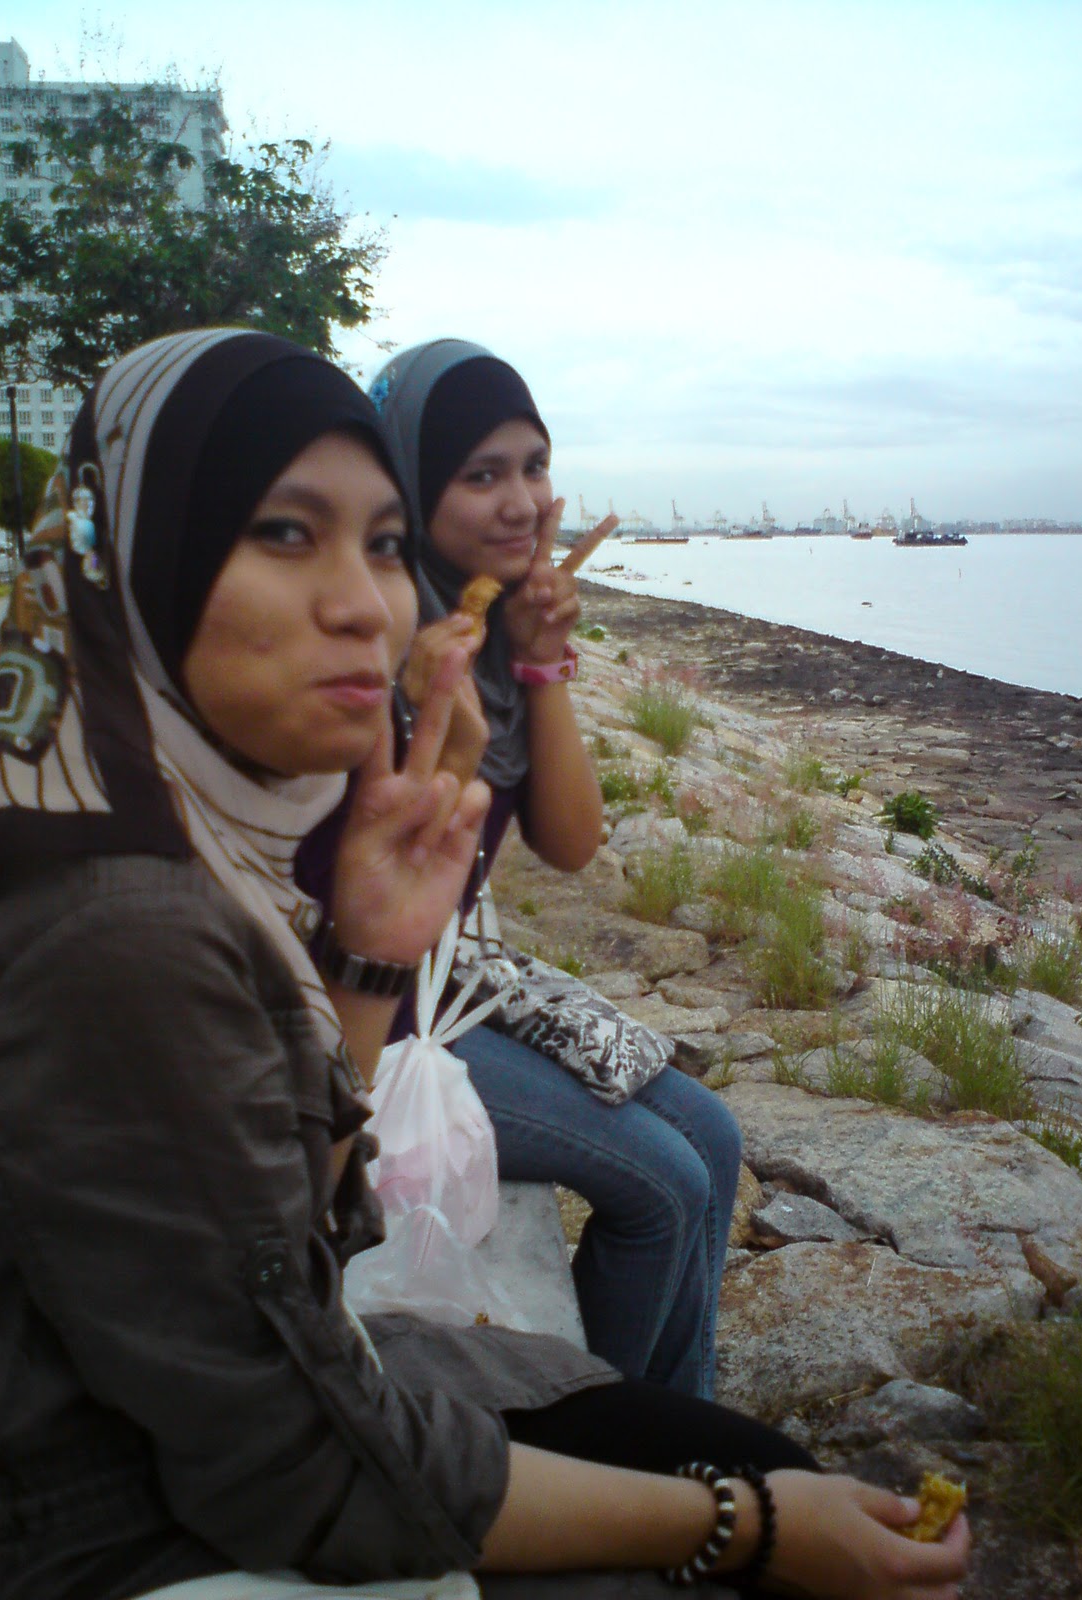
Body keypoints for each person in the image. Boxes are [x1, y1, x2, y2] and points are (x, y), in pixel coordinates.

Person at [0, 329, 969, 1600]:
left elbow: (279, 1224)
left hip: (213, 1354)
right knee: (693, 1281)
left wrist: (366, 948)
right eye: (284, 532)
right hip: (78, 1512)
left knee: (707, 1180)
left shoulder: (102, 796)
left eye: (382, 543)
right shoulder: (109, 928)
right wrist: (746, 1526)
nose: (363, 600)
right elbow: (293, 1465)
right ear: (135, 552)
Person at [366, 338, 742, 1399]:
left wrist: (539, 664)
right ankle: (615, 1442)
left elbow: (571, 845)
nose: (523, 500)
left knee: (712, 1135)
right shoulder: (380, 631)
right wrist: (434, 705)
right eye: (481, 473)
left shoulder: (488, 624)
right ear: (408, 483)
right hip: (369, 1007)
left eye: (535, 466)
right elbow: (384, 874)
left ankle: (684, 1419)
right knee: (663, 1185)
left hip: (453, 979)